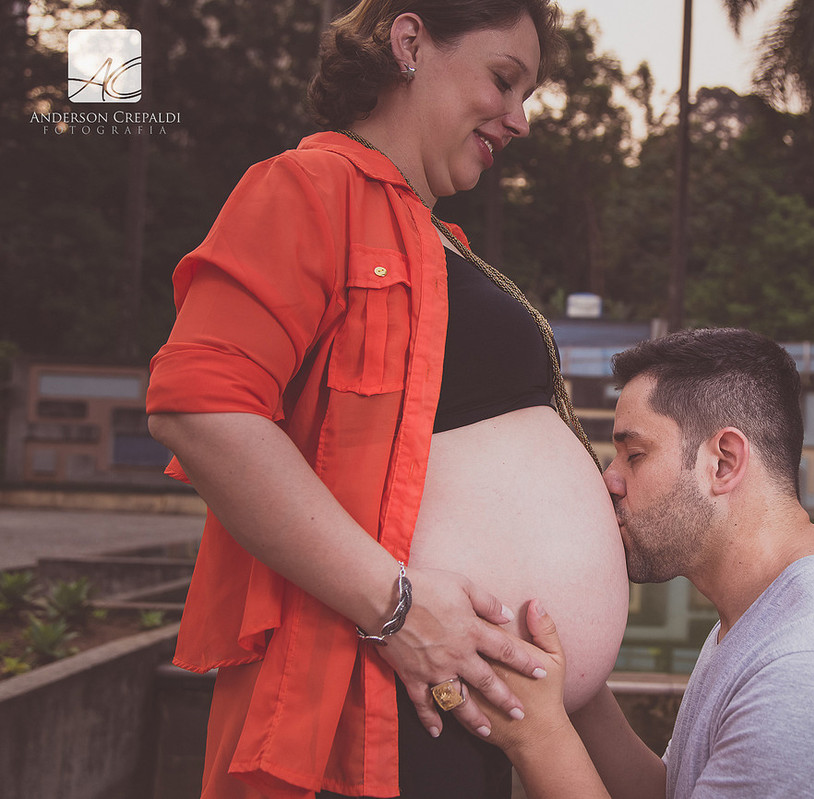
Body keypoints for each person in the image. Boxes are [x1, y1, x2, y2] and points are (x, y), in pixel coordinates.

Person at [144, 2, 628, 797]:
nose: (522, 119)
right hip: (366, 700)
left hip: (461, 711)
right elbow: (202, 408)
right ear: (409, 43)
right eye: (504, 81)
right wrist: (401, 608)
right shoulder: (308, 188)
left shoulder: (445, 241)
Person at [477, 328, 814, 798]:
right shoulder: (761, 611)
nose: (610, 480)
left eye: (634, 455)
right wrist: (573, 686)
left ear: (723, 462)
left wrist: (536, 736)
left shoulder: (813, 680)